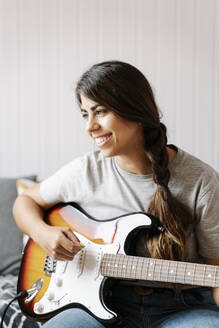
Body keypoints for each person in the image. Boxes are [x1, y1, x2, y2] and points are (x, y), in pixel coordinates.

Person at [13, 60, 219, 328]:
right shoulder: (86, 170)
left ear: (135, 110)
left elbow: (215, 268)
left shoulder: (201, 179)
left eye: (100, 111)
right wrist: (43, 234)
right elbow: (25, 201)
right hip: (100, 304)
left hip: (183, 307)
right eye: (85, 114)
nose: (90, 126)